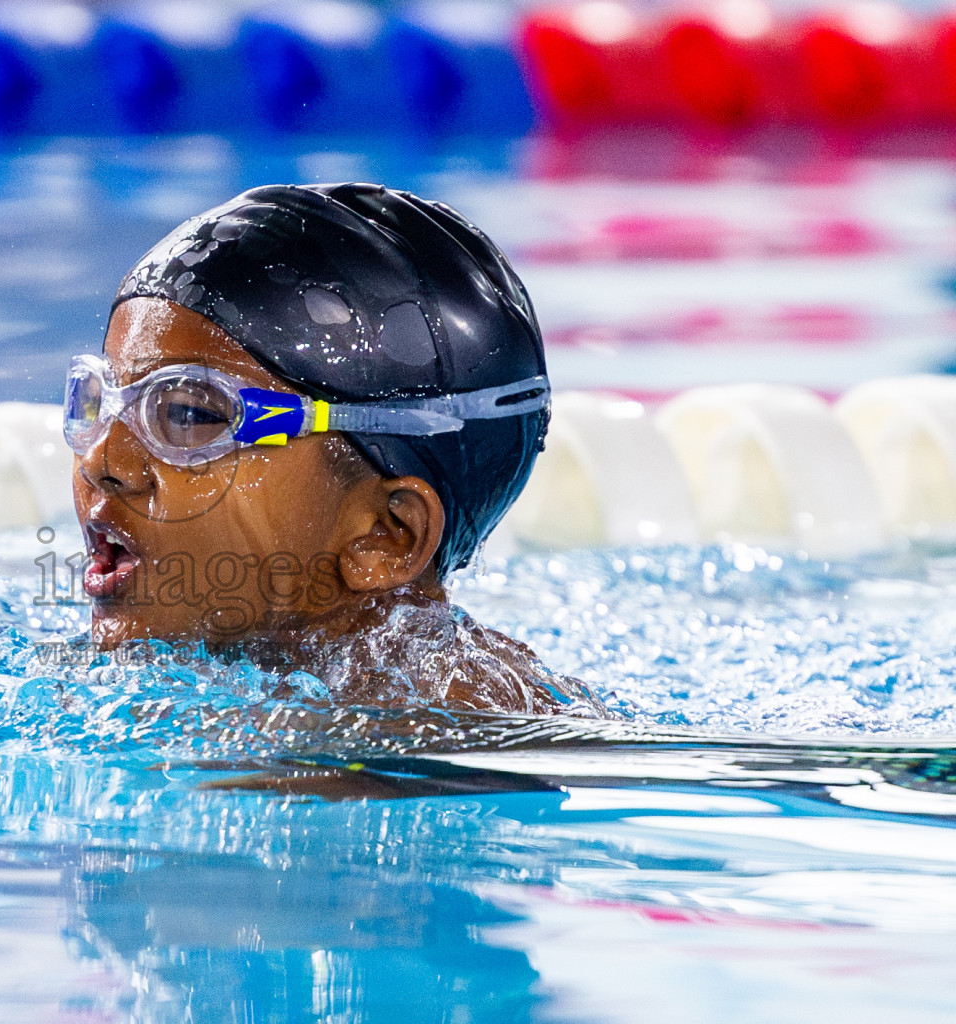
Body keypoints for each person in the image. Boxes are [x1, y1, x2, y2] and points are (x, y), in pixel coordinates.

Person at [64, 182, 607, 716]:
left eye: (190, 415)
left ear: (386, 535)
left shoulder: (420, 736)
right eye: (101, 400)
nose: (102, 463)